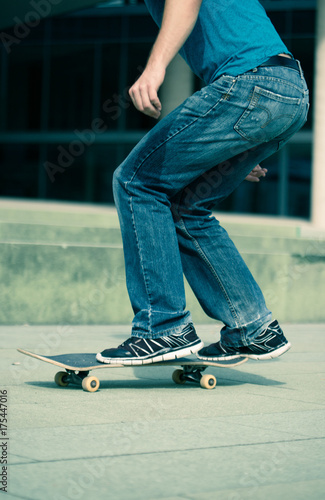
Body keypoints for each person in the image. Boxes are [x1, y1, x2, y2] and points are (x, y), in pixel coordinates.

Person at [96, 0, 309, 365]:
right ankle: (253, 328)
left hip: (251, 84)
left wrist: (154, 68)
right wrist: (237, 143)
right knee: (187, 207)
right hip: (287, 93)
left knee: (136, 182)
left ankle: (162, 327)